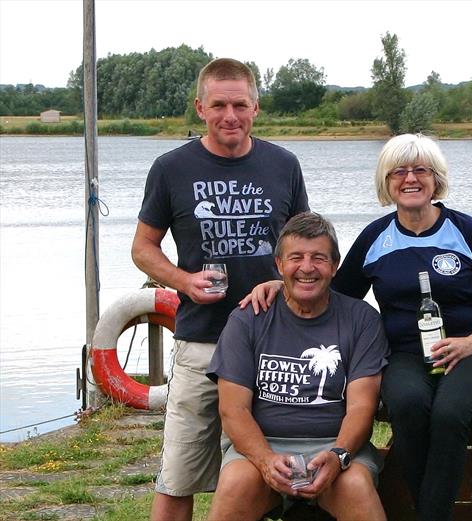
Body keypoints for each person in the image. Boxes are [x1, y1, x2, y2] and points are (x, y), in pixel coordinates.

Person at [131, 57, 309, 521]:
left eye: (239, 105)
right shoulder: (171, 168)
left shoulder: (283, 165)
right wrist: (183, 281)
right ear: (199, 108)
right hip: (202, 339)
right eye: (218, 105)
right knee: (179, 474)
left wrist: (281, 278)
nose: (230, 115)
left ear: (256, 108)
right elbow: (143, 248)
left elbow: (303, 246)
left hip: (272, 341)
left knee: (261, 469)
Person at [331, 133, 472, 521]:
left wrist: (470, 343)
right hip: (404, 354)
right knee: (407, 406)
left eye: (420, 170)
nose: (410, 179)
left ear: (435, 179)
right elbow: (339, 300)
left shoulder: (465, 230)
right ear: (386, 182)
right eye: (398, 171)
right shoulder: (376, 237)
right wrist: (282, 284)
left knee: (448, 413)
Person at [206, 212, 389, 521]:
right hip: (261, 447)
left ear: (335, 265)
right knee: (237, 483)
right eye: (296, 258)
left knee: (355, 485)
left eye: (318, 258)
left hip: (336, 446)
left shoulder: (362, 319)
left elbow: (362, 407)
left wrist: (338, 455)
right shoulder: (247, 318)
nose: (307, 268)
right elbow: (232, 410)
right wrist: (265, 460)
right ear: (279, 265)